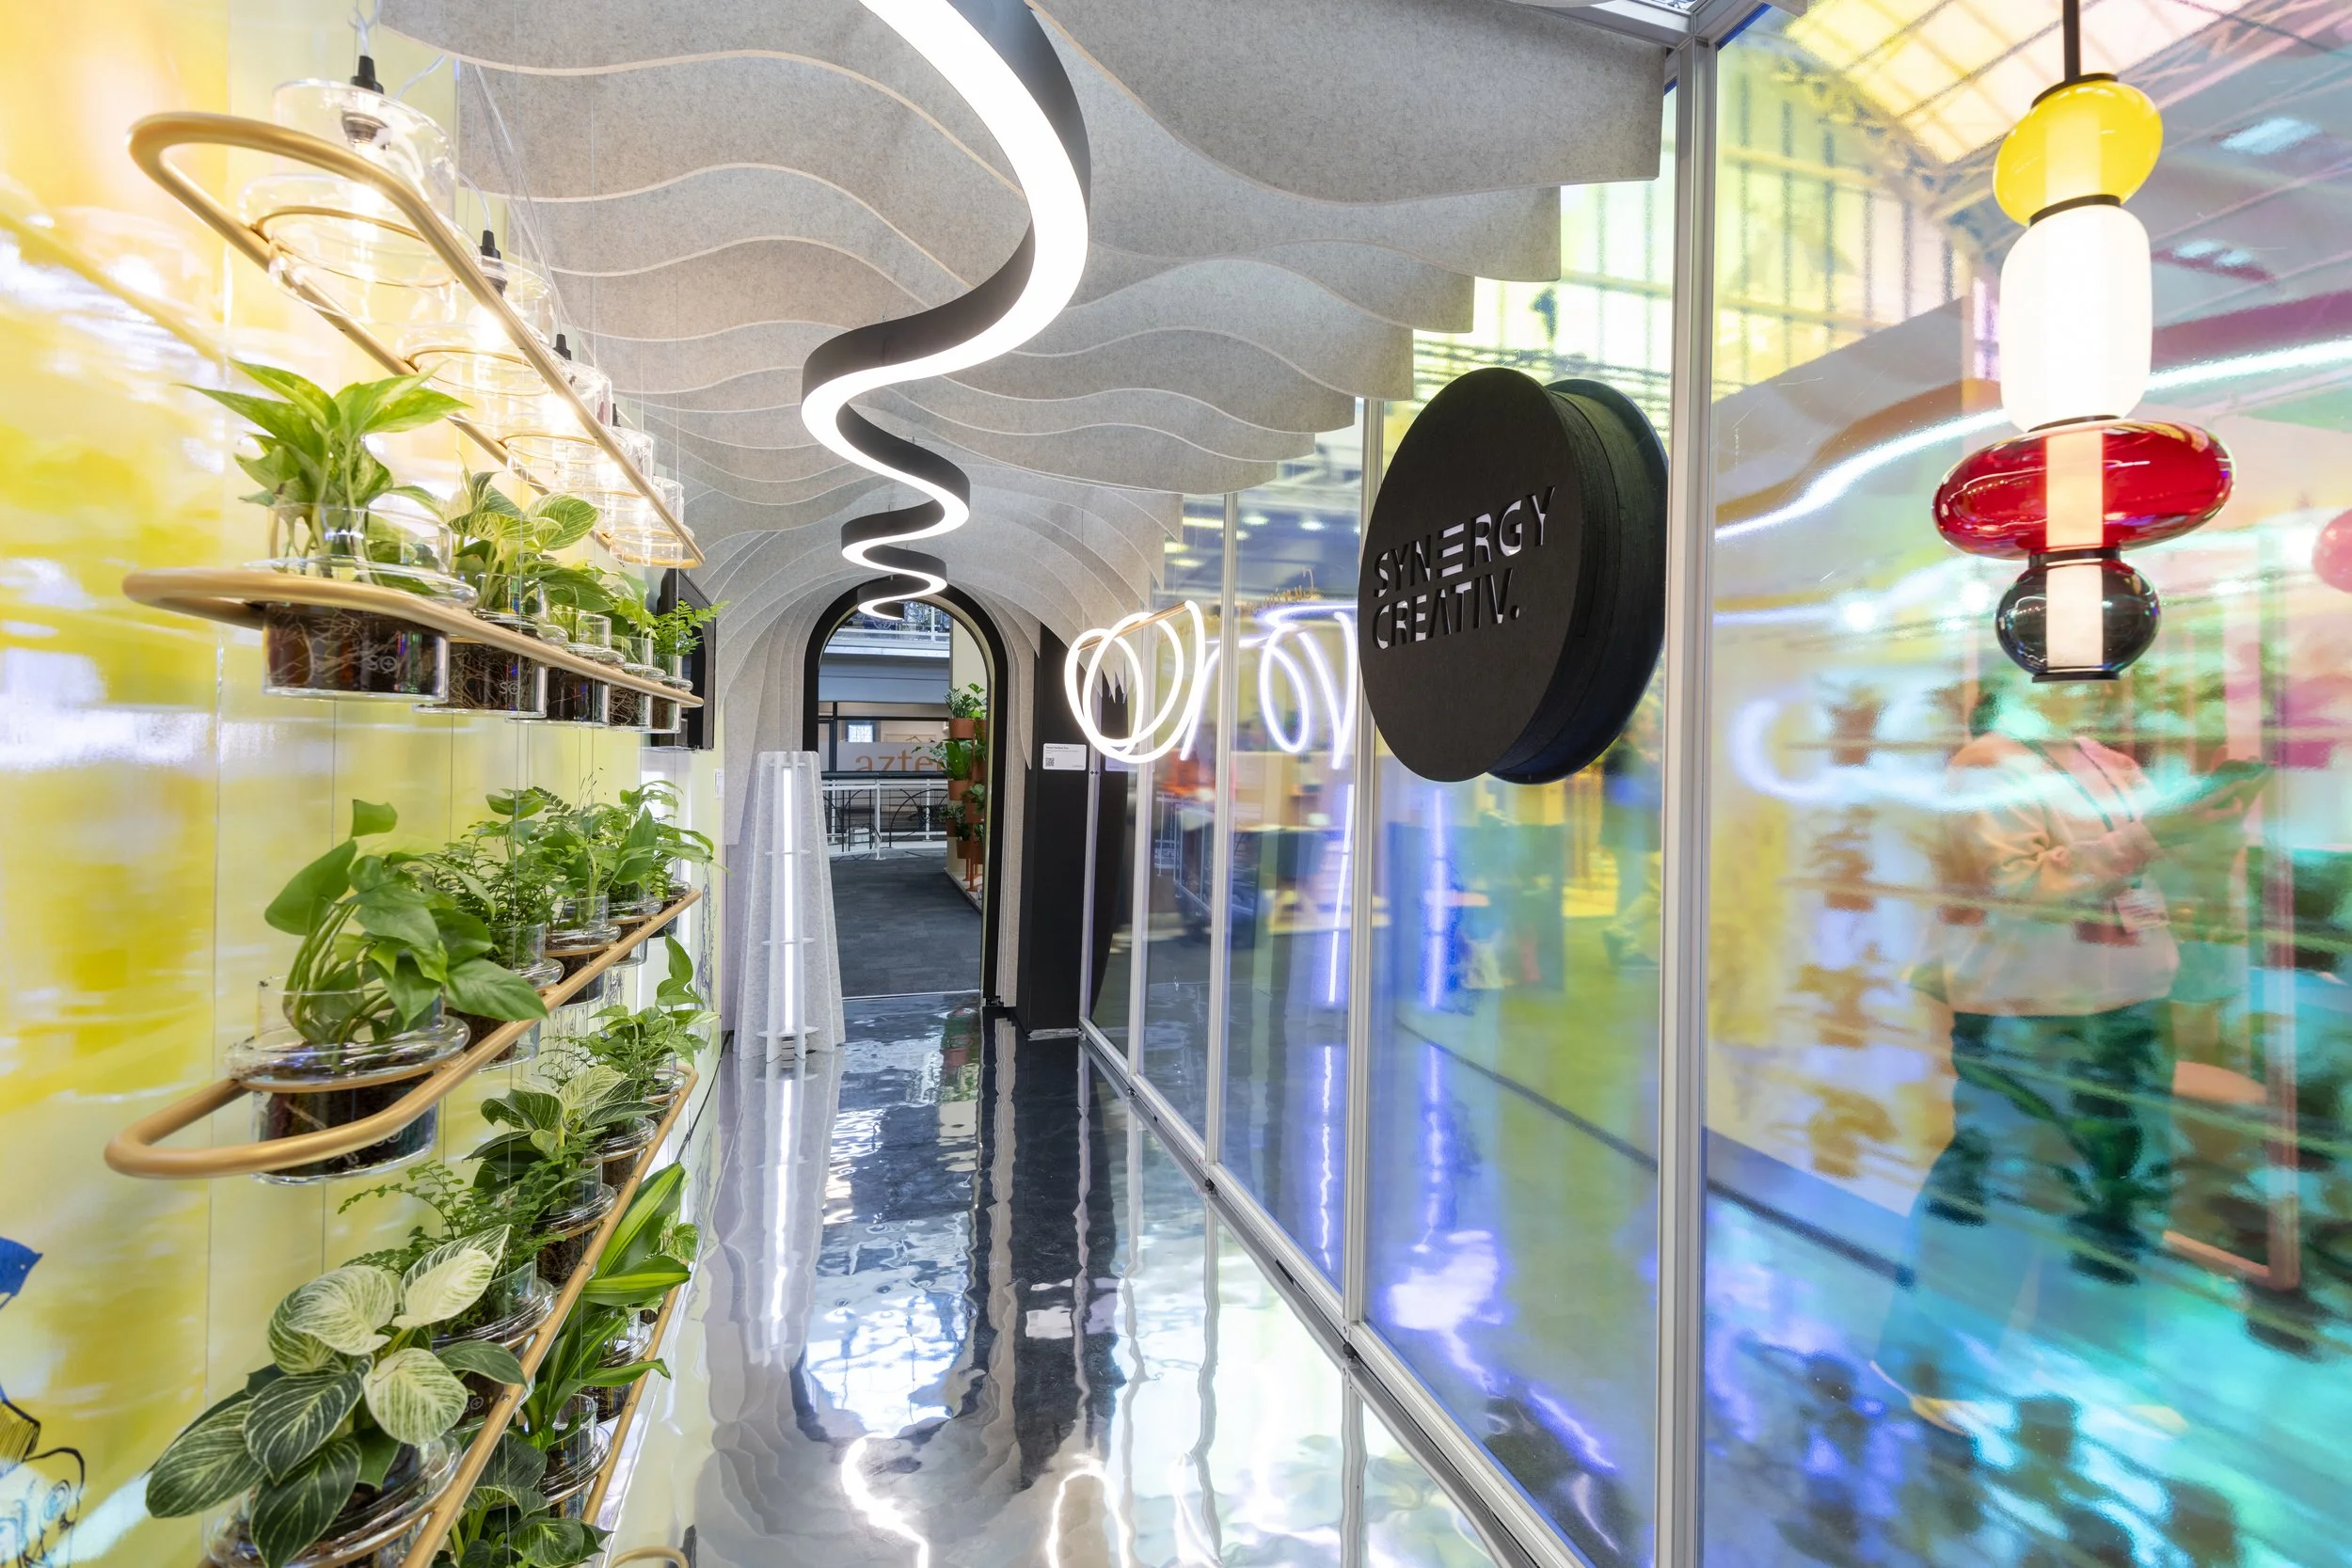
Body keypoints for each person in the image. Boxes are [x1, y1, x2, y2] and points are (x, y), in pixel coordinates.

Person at [1877, 676, 2262, 1433]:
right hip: (2027, 1013)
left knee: (2122, 1191)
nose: (2105, 690)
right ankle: (1941, 1364)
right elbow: (2019, 885)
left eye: (2113, 675)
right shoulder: (1988, 765)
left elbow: (2137, 873)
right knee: (2001, 1186)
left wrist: (2201, 833)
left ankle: (2105, 1366)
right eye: (2083, 673)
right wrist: (2154, 837)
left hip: (2130, 1004)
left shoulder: (2113, 764)